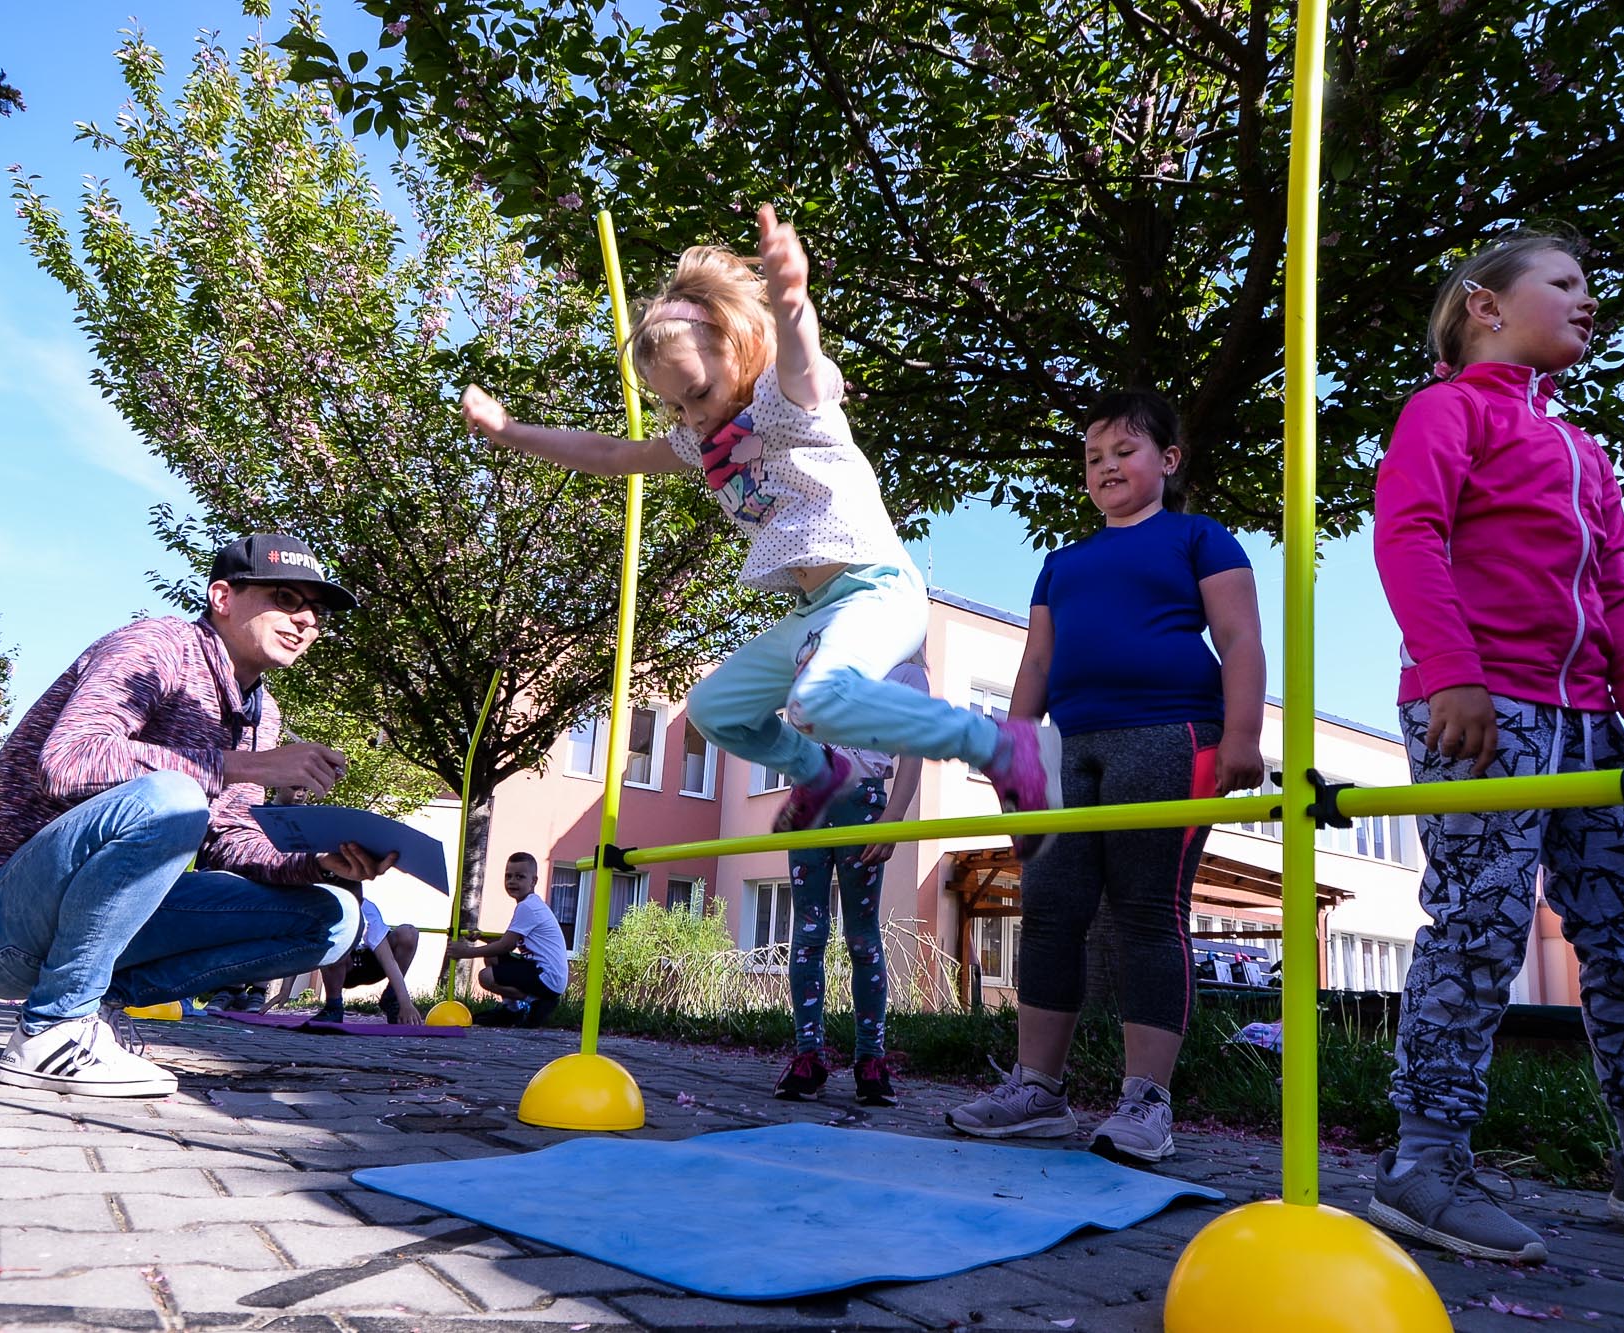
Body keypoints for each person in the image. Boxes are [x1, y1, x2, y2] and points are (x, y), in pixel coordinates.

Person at [459, 205, 1058, 847]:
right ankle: (820, 773)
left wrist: (792, 297)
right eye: (673, 404)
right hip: (813, 610)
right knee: (716, 711)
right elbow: (614, 454)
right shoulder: (700, 440)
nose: (689, 417)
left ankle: (999, 745)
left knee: (818, 700)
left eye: (697, 392)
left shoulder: (788, 398)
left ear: (740, 349)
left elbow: (800, 353)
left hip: (878, 589)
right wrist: (509, 432)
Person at [1365, 234, 1624, 1263]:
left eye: (1588, 287)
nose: (1585, 301)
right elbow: (1408, 533)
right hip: (1480, 706)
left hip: (1585, 719)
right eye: (1562, 284)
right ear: (1484, 306)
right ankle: (1422, 1162)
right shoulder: (1445, 411)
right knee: (1480, 919)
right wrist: (1452, 673)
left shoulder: (1582, 450)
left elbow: (1612, 579)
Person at [0, 533, 398, 1097]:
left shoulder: (260, 714)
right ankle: (53, 1029)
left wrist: (320, 862)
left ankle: (91, 1007)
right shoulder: (157, 645)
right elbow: (67, 761)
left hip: (93, 927)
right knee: (174, 797)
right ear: (223, 597)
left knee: (332, 918)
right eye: (285, 598)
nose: (306, 621)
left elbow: (228, 842)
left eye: (316, 611)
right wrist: (239, 767)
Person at [946, 389, 1266, 1164]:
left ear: (1169, 460)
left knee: (1146, 911)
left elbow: (1240, 636)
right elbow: (1037, 663)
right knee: (1051, 907)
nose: (1107, 466)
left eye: (1124, 451)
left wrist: (1244, 734)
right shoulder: (1062, 562)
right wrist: (1015, 753)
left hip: (1170, 734)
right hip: (1070, 744)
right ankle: (1037, 1090)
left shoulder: (1201, 538)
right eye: (1093, 458)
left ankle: (1145, 1101)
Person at [773, 655, 928, 1106]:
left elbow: (914, 745)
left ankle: (870, 1059)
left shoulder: (904, 668)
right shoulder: (829, 650)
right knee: (808, 932)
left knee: (861, 936)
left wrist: (894, 818)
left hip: (864, 803)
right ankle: (808, 1055)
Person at [446, 853, 568, 1027]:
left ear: (533, 881)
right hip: (538, 968)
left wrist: (466, 952)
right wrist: (482, 936)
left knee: (486, 977)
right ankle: (511, 1010)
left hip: (547, 977)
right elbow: (507, 940)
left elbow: (506, 945)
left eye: (520, 877)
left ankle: (536, 1001)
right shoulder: (529, 904)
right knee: (491, 958)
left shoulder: (528, 907)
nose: (512, 881)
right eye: (508, 876)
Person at [314, 897, 423, 1026]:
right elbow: (299, 948)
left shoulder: (366, 910)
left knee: (408, 933)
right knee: (332, 946)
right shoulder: (320, 907)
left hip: (372, 965)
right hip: (342, 969)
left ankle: (391, 997)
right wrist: (286, 989)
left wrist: (406, 1003)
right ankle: (333, 1006)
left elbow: (388, 960)